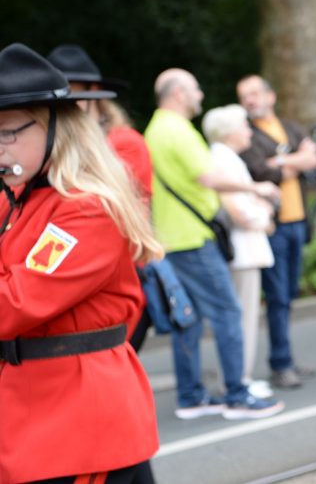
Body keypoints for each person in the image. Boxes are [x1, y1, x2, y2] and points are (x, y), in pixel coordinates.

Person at [0, 43, 159, 483]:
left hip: (78, 426)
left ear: (56, 130)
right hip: (34, 416)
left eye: (9, 132)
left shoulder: (87, 210)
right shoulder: (15, 200)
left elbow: (14, 301)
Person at [145, 68, 284, 419]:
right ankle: (237, 393)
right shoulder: (177, 130)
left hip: (172, 237)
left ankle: (191, 396)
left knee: (188, 320)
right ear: (178, 93)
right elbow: (208, 177)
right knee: (228, 312)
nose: (200, 94)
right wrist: (256, 187)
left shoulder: (155, 129)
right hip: (192, 238)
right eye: (195, 88)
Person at [47, 44, 155, 351]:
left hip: (117, 265)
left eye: (70, 92)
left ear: (92, 92)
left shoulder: (124, 142)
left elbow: (124, 207)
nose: (60, 102)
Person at [237, 74, 316, 389]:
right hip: (273, 226)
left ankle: (286, 360)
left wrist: (285, 161)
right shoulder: (247, 135)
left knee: (288, 296)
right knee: (277, 297)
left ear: (270, 97)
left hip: (298, 222)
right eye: (245, 95)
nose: (251, 99)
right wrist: (294, 160)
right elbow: (262, 170)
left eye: (256, 92)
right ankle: (281, 364)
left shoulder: (289, 126)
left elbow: (314, 159)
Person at [203, 104, 276, 398]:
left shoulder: (225, 157)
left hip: (245, 247)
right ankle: (238, 380)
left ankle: (240, 378)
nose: (248, 131)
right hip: (242, 248)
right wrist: (265, 216)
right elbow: (237, 210)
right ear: (230, 131)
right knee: (243, 318)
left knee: (243, 317)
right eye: (244, 126)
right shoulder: (222, 159)